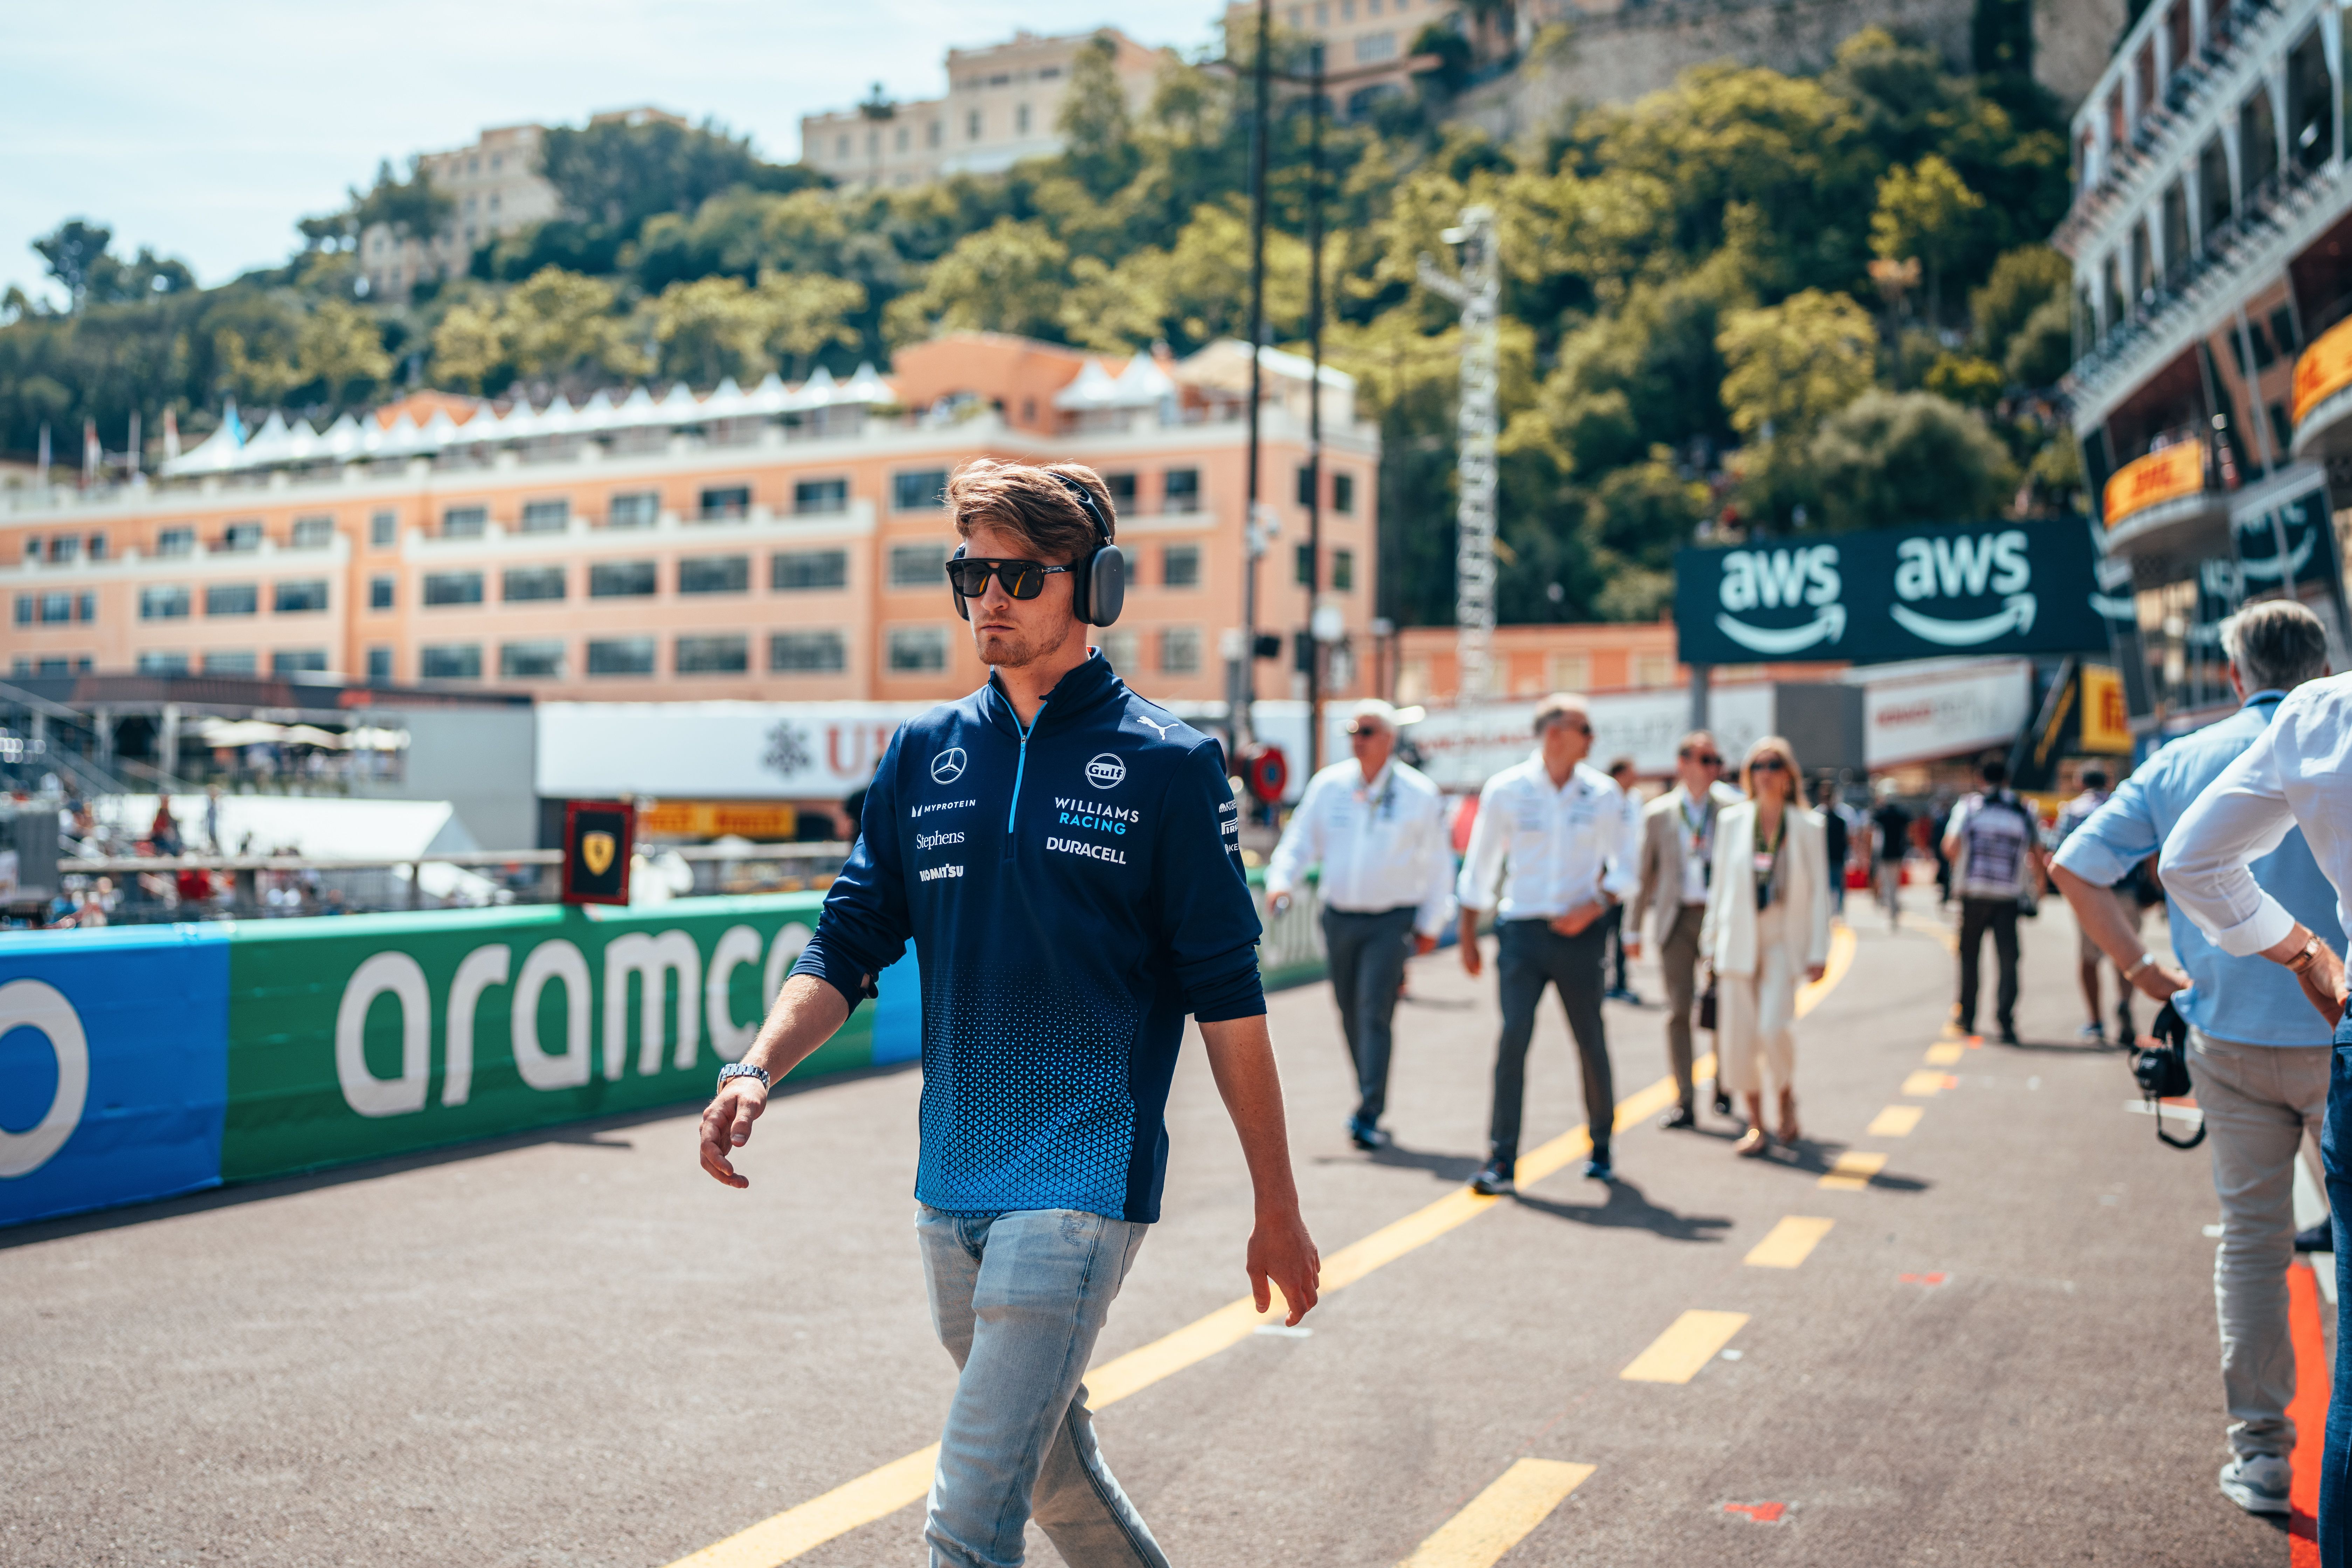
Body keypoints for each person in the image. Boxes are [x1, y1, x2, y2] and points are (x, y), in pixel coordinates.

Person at [696, 458, 1320, 1568]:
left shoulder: (1172, 766)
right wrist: (756, 1066)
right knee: (1052, 1480)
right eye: (969, 572)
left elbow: (1228, 999)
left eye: (1021, 576)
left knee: (966, 1516)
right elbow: (847, 941)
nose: (989, 597)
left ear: (1095, 586)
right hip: (952, 1185)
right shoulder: (921, 754)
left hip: (1082, 1181)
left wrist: (1277, 1203)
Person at [2052, 599, 2340, 1521]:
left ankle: (2261, 1454)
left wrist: (2140, 967)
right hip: (2340, 1033)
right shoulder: (2333, 726)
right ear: (2323, 659)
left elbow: (2073, 863)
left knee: (2253, 1246)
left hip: (2229, 1033)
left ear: (2233, 674)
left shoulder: (2182, 759)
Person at [1455, 692, 1637, 1195]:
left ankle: (1601, 1145)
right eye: (1584, 727)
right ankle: (1501, 1158)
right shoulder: (1507, 789)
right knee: (1513, 1039)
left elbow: (1627, 866)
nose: (1592, 738)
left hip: (1582, 935)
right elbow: (1481, 866)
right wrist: (1469, 934)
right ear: (1555, 733)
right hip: (1522, 935)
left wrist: (1597, 905)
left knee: (1590, 1039)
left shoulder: (1603, 794)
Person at [1266, 697, 1455, 1150]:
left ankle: (1370, 1108)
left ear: (1389, 739)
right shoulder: (1329, 786)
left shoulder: (1418, 793)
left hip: (1391, 921)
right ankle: (1366, 1088)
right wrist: (1281, 881)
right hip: (1340, 917)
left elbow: (1437, 865)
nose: (1358, 739)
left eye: (1367, 731)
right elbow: (1299, 841)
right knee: (1349, 1009)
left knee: (1374, 1009)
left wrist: (1432, 921)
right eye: (1353, 731)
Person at [1699, 736, 1832, 1156]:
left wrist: (1818, 951)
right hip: (1738, 938)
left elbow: (1817, 895)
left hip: (1781, 939)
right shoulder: (1733, 822)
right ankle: (1756, 1122)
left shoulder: (1807, 825)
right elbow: (1719, 886)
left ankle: (1785, 1094)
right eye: (1757, 765)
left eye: (1773, 765)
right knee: (1738, 1037)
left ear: (1788, 774)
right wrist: (1710, 941)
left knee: (1773, 1027)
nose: (1765, 773)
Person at [1627, 731, 1742, 1128]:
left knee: (1721, 1006)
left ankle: (1726, 1084)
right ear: (1684, 763)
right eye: (1705, 759)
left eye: (1716, 760)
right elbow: (1644, 874)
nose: (1714, 767)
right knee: (1678, 1010)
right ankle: (1685, 1098)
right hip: (1675, 919)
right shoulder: (1658, 812)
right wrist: (1632, 929)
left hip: (1719, 918)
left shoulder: (1732, 807)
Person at [1942, 757, 2048, 1045]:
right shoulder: (2024, 810)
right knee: (2008, 960)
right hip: (2008, 896)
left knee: (1969, 957)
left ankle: (1967, 1015)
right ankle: (2006, 1019)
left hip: (1974, 894)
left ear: (1980, 778)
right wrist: (2040, 886)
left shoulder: (1969, 807)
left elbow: (1950, 846)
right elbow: (2038, 853)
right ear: (2007, 778)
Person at [2055, 767, 2141, 1045]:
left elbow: (2059, 852)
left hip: (2091, 892)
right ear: (2109, 781)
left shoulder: (2072, 811)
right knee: (2127, 956)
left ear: (2080, 782)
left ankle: (2095, 1021)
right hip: (2127, 891)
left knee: (2089, 959)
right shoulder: (2123, 807)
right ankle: (2125, 1004)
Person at [1601, 756, 1644, 1002]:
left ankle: (1620, 982)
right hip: (1609, 882)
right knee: (1603, 933)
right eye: (1631, 772)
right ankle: (1602, 982)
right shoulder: (1605, 798)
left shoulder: (1635, 799)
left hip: (1629, 880)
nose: (1635, 776)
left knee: (1623, 934)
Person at [1870, 779, 1912, 931]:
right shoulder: (1901, 813)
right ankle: (1894, 912)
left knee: (1888, 885)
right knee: (1894, 885)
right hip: (1897, 854)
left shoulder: (1881, 813)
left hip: (1886, 855)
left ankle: (1892, 914)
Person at [1817, 776, 1852, 918]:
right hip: (1825, 859)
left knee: (1838, 886)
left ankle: (1838, 913)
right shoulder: (1817, 816)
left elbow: (1849, 838)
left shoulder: (1843, 815)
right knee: (1828, 887)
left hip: (1838, 857)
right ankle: (1831, 912)